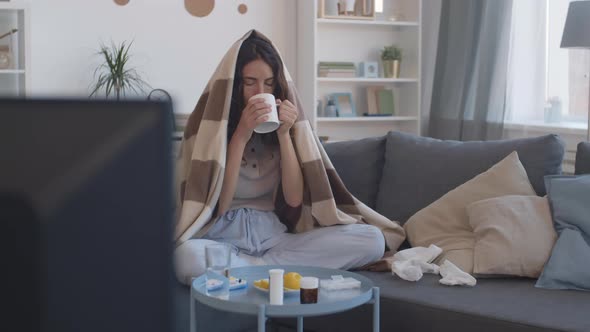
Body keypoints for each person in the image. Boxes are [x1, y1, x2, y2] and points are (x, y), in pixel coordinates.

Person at [174, 31, 402, 285]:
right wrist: (240, 135)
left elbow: (294, 198)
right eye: (250, 82)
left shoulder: (280, 133)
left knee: (371, 239)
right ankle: (270, 273)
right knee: (186, 257)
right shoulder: (211, 130)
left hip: (275, 239)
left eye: (269, 83)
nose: (261, 91)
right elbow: (220, 205)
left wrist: (285, 134)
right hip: (224, 238)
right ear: (234, 84)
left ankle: (256, 271)